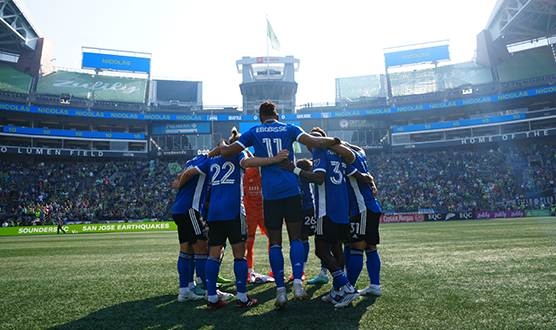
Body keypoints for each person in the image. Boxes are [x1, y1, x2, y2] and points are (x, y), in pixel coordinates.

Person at [218, 101, 342, 308]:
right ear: (277, 114)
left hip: (271, 194)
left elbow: (227, 153)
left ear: (260, 116)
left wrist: (222, 143)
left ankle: (280, 291)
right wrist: (336, 140)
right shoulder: (290, 128)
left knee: (275, 242)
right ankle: (297, 285)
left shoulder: (253, 131)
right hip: (292, 190)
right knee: (295, 238)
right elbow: (316, 142)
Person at [178, 132, 289, 311]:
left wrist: (178, 183)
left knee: (214, 253)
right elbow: (247, 163)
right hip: (234, 210)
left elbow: (189, 172)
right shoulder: (239, 154)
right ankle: (242, 298)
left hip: (213, 212)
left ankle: (212, 298)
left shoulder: (212, 160)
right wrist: (273, 159)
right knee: (240, 253)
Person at [279, 128, 373, 308]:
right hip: (342, 209)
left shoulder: (319, 151)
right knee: (337, 248)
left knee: (321, 251)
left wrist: (294, 169)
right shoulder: (338, 154)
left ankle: (347, 287)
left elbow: (319, 178)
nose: (307, 145)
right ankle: (337, 292)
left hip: (326, 209)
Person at [171, 149, 219, 303]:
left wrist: (180, 181)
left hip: (179, 209)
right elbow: (182, 176)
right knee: (202, 247)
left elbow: (180, 175)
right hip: (190, 209)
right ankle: (208, 289)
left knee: (186, 250)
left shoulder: (192, 161)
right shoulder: (205, 161)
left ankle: (184, 291)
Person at [343, 143, 383, 297]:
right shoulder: (360, 155)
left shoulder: (349, 161)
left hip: (362, 208)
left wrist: (336, 143)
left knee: (356, 248)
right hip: (370, 207)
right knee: (370, 247)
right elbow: (360, 149)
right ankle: (374, 286)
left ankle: (349, 289)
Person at [243, 166, 274, 284]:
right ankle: (249, 271)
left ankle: (273, 271)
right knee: (248, 242)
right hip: (249, 211)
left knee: (272, 239)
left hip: (264, 211)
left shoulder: (268, 171)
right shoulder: (247, 173)